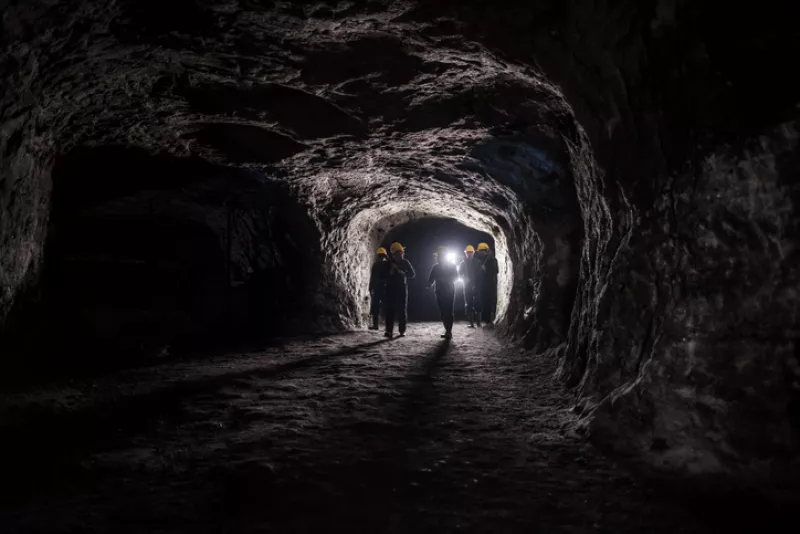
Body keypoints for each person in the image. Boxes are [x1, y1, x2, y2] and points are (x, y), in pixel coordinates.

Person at [384, 241, 415, 338]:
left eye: (401, 253)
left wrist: (402, 272)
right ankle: (389, 331)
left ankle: (402, 330)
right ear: (393, 254)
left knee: (402, 310)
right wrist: (390, 272)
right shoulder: (388, 264)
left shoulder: (405, 262)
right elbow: (383, 276)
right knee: (390, 310)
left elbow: (412, 274)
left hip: (402, 288)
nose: (400, 255)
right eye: (398, 254)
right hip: (390, 288)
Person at [428, 246, 459, 339]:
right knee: (443, 312)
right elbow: (431, 279)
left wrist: (445, 280)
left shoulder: (452, 266)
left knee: (448, 312)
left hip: (449, 292)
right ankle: (447, 330)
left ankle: (449, 331)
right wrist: (428, 285)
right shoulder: (436, 267)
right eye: (439, 256)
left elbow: (456, 277)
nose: (440, 257)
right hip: (440, 292)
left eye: (441, 255)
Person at [475, 242, 499, 326]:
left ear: (485, 251)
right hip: (482, 284)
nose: (479, 253)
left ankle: (489, 320)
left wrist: (486, 270)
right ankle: (485, 320)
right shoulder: (482, 260)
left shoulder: (492, 260)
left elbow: (496, 271)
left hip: (489, 284)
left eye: (480, 251)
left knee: (489, 301)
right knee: (483, 301)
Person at [458, 244, 481, 327]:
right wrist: (465, 280)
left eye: (471, 252)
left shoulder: (478, 262)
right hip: (467, 287)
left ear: (473, 253)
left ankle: (478, 323)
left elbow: (480, 275)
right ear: (465, 253)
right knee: (468, 304)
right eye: (468, 252)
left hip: (476, 286)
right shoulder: (462, 264)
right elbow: (459, 275)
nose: (469, 253)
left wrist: (477, 284)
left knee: (478, 303)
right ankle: (471, 323)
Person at [367, 247, 390, 330]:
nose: (380, 257)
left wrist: (370, 288)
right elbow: (373, 277)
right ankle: (379, 325)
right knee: (378, 306)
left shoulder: (383, 265)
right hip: (382, 287)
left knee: (377, 306)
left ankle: (377, 325)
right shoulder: (385, 265)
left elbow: (372, 278)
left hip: (380, 287)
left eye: (381, 255)